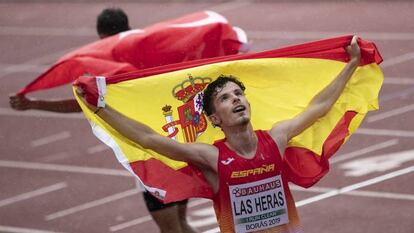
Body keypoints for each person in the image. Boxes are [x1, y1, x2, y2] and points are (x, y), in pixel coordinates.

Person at [77, 36, 361, 232]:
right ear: (214, 118)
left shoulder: (276, 138)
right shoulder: (212, 158)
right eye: (225, 98)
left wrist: (350, 65)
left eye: (239, 94)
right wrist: (101, 109)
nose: (236, 99)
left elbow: (320, 106)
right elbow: (149, 139)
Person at [9, 7, 196, 233]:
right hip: (177, 146)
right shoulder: (151, 48)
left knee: (171, 230)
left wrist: (34, 104)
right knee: (183, 225)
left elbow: (82, 105)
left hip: (149, 154)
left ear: (101, 37)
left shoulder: (108, 65)